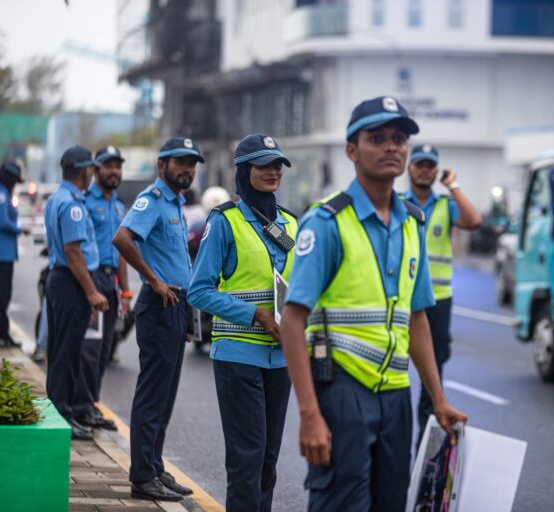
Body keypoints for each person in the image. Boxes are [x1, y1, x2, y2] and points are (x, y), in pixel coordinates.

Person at [279, 96, 468, 511]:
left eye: (399, 139)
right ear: (352, 150)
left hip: (397, 397)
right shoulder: (327, 222)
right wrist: (309, 413)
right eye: (377, 138)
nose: (391, 147)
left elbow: (416, 317)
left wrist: (437, 399)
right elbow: (293, 321)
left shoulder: (411, 222)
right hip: (344, 391)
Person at [188, 134, 296, 512]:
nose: (272, 173)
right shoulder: (224, 222)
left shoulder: (292, 225)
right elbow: (198, 292)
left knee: (268, 461)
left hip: (281, 360)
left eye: (277, 166)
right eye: (263, 165)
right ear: (244, 170)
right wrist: (256, 314)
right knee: (246, 460)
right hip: (238, 356)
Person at [112, 136, 201, 502]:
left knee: (165, 396)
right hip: (159, 303)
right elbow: (122, 238)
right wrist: (152, 279)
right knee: (152, 395)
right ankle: (142, 476)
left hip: (176, 304)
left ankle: (155, 467)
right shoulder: (152, 199)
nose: (187, 169)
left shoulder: (177, 203)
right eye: (180, 162)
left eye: (192, 163)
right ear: (162, 164)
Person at [403, 144, 482, 441]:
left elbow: (474, 221)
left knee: (431, 377)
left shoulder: (445, 205)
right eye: (420, 164)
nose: (425, 170)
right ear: (410, 168)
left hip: (437, 302)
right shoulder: (397, 202)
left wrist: (454, 186)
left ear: (437, 171)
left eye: (430, 166)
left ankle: (423, 450)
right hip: (402, 299)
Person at [43, 146, 109, 441]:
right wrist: (92, 292)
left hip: (61, 281)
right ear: (84, 171)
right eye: (91, 169)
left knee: (61, 351)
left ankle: (60, 412)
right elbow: (73, 252)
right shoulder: (72, 204)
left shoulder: (58, 197)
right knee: (67, 354)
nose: (93, 174)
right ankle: (63, 414)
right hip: (71, 283)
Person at [72, 146, 131, 431]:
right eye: (108, 166)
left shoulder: (119, 206)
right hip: (93, 280)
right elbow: (79, 246)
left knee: (105, 348)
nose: (114, 171)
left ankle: (92, 403)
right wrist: (88, 288)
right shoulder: (85, 201)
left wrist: (126, 291)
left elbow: (122, 253)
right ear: (95, 169)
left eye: (118, 166)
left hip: (112, 283)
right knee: (90, 348)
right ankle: (81, 406)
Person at [0, 160, 30, 348]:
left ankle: (2, 333)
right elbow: (3, 222)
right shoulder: (0, 194)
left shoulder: (1, 191)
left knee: (4, 294)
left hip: (4, 250)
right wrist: (21, 230)